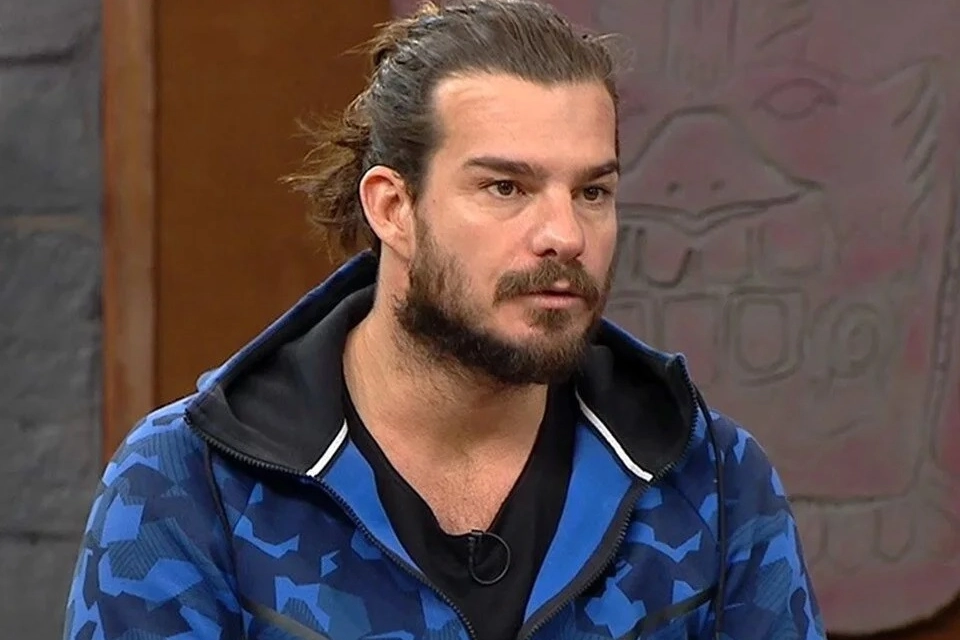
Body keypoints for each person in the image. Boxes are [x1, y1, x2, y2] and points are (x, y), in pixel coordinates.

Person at [64, 1, 826, 639]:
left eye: (592, 191)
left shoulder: (708, 477)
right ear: (393, 207)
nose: (564, 234)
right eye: (505, 187)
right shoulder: (193, 482)